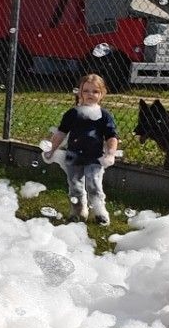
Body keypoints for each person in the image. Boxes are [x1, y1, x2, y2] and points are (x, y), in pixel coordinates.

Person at [42, 73, 118, 224]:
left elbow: (112, 136)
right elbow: (61, 133)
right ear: (79, 93)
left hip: (95, 157)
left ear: (102, 94)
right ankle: (78, 211)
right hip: (73, 156)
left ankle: (100, 212)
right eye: (86, 91)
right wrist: (51, 149)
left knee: (94, 184)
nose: (90, 94)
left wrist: (110, 154)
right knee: (75, 185)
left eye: (95, 91)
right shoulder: (73, 114)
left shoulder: (104, 115)